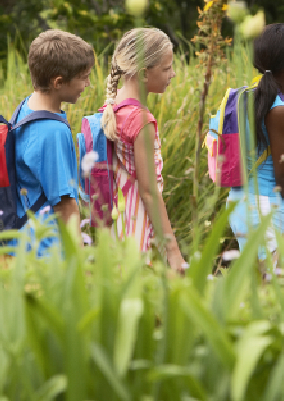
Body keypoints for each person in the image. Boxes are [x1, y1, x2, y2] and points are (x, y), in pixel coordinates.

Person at [228, 23, 284, 271]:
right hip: (263, 206)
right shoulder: (276, 108)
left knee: (263, 290)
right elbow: (283, 174)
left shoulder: (253, 95)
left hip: (242, 202)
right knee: (275, 293)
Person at [101, 28, 186, 272]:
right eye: (167, 68)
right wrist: (173, 251)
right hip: (138, 230)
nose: (173, 74)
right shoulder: (141, 120)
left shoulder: (111, 111)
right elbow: (149, 193)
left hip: (115, 225)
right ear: (144, 73)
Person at [13, 29, 94, 257]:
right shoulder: (52, 131)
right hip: (48, 249)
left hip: (25, 238)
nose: (87, 84)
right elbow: (66, 206)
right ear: (58, 82)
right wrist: (80, 265)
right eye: (84, 77)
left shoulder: (27, 106)